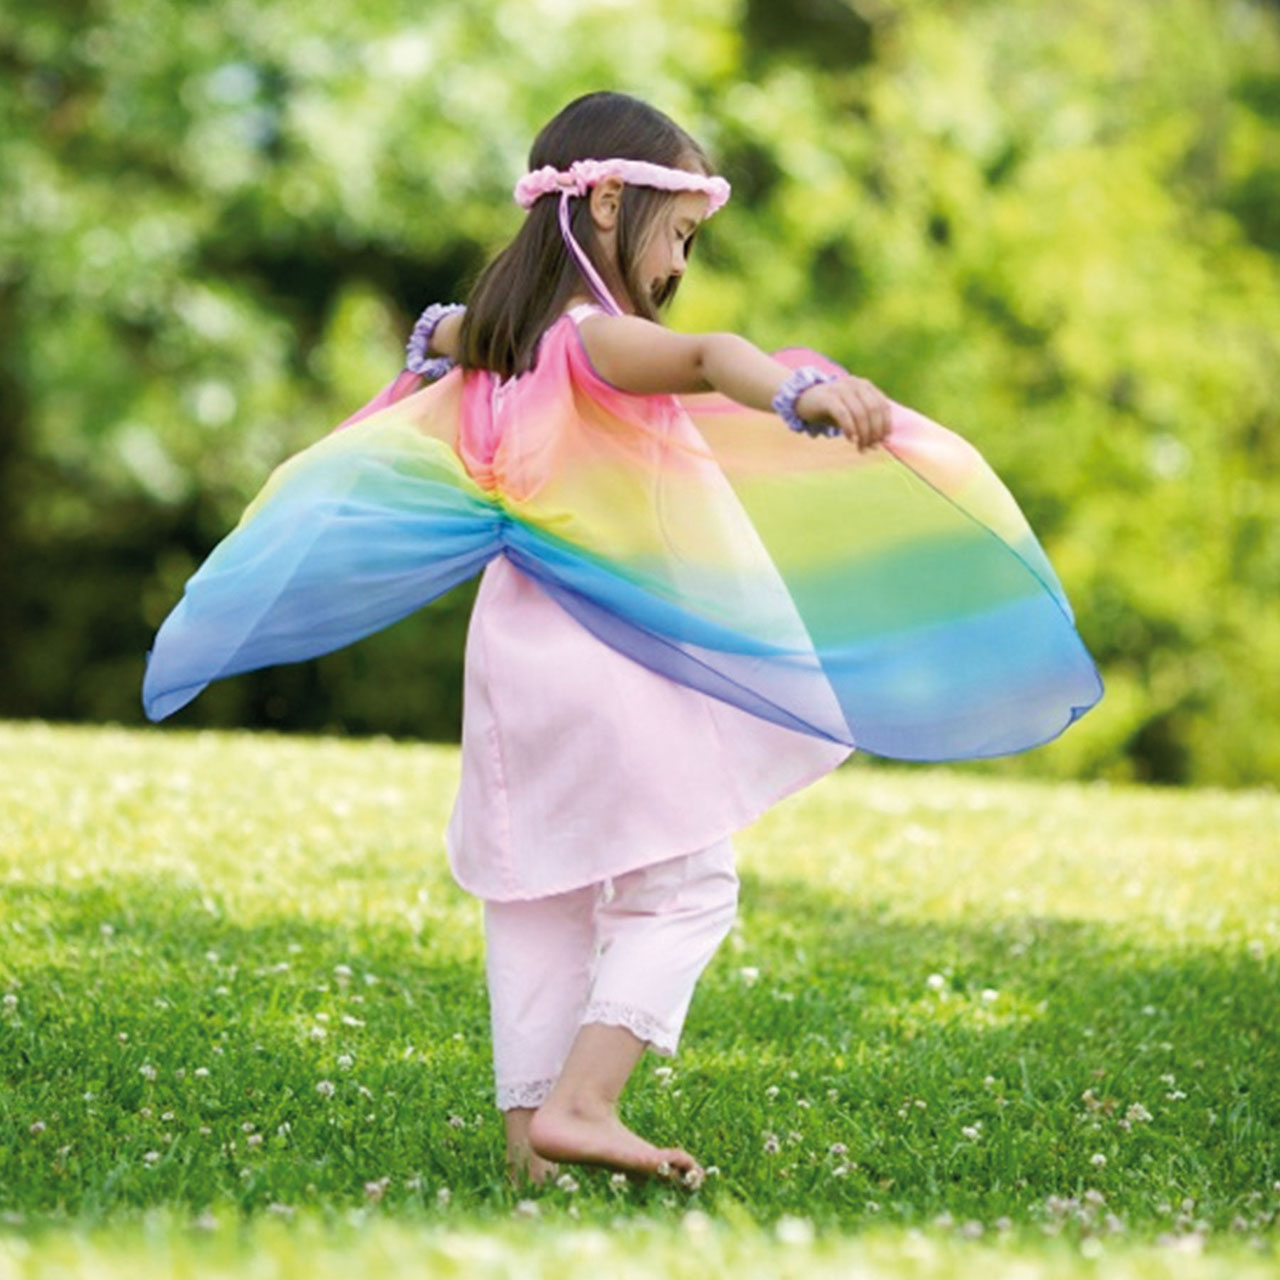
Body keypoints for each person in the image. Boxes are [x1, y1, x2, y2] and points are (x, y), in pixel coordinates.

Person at [142, 91, 1101, 1185]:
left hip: (513, 661)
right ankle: (587, 1102)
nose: (679, 263)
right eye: (677, 233)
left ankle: (530, 1147)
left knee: (537, 887)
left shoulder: (488, 339)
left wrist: (448, 328)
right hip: (613, 653)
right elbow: (701, 356)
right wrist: (796, 389)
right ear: (604, 200)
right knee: (687, 885)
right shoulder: (596, 338)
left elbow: (436, 333)